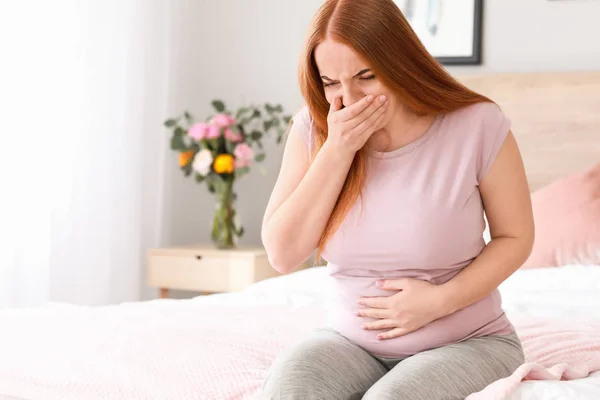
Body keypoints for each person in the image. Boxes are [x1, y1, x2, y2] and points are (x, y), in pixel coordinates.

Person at [260, 0, 534, 399]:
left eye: (366, 76)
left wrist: (441, 301)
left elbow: (516, 238)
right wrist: (337, 151)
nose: (350, 99)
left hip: (468, 342)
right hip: (349, 343)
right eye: (332, 83)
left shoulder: (477, 124)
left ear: (400, 62)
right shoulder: (314, 129)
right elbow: (283, 255)